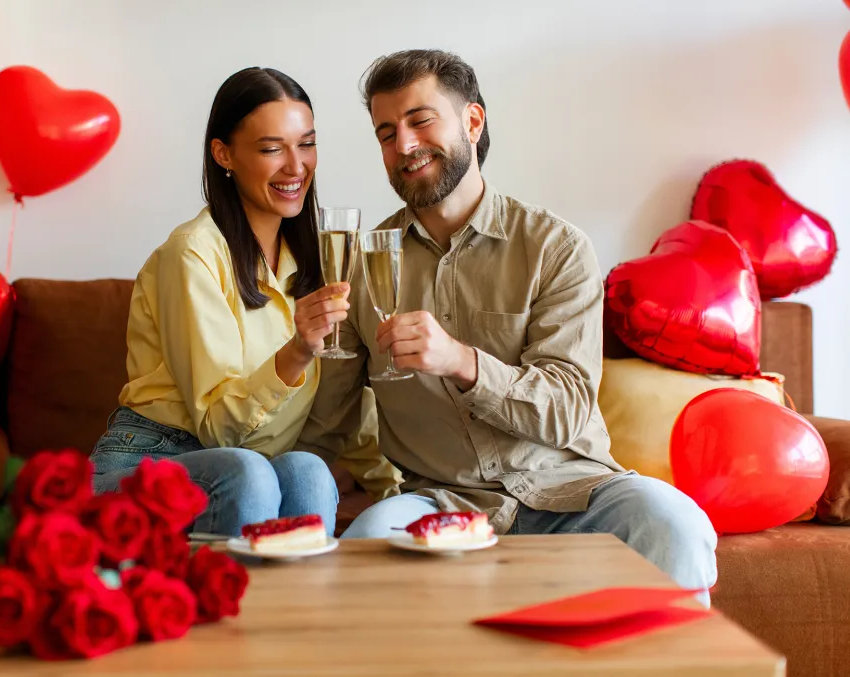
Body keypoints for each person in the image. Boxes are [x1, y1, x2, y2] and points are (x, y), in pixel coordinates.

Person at [297, 49, 718, 605]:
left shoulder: (554, 248)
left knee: (672, 521)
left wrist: (462, 362)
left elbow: (567, 408)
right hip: (438, 501)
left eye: (421, 120)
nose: (403, 145)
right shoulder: (360, 261)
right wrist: (304, 349)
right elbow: (328, 424)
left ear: (473, 121)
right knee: (372, 543)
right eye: (385, 132)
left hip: (570, 489)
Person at [90, 67, 391, 538]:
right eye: (272, 149)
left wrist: (402, 498)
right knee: (247, 472)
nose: (296, 166)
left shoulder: (314, 261)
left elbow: (345, 407)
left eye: (306, 144)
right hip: (152, 460)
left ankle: (297, 612)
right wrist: (298, 350)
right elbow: (216, 430)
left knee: (309, 472)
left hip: (253, 469)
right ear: (224, 154)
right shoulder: (192, 254)